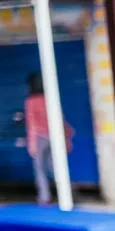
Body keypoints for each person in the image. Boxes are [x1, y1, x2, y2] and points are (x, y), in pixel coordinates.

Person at [24, 73, 72, 205]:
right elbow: (60, 117)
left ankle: (45, 197)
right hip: (55, 136)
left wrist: (32, 144)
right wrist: (67, 134)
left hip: (40, 138)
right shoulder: (50, 98)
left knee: (40, 169)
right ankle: (66, 193)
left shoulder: (30, 101)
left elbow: (31, 123)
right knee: (56, 167)